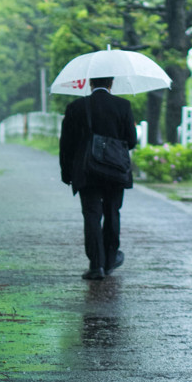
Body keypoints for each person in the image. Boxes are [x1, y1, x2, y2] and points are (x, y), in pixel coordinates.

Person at [59, 76, 137, 280]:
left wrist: (67, 173)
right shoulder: (123, 105)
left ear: (90, 83)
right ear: (111, 84)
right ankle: (110, 261)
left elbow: (66, 144)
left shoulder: (76, 107)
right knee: (112, 212)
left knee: (92, 215)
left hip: (86, 170)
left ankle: (96, 265)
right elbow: (131, 141)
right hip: (115, 170)